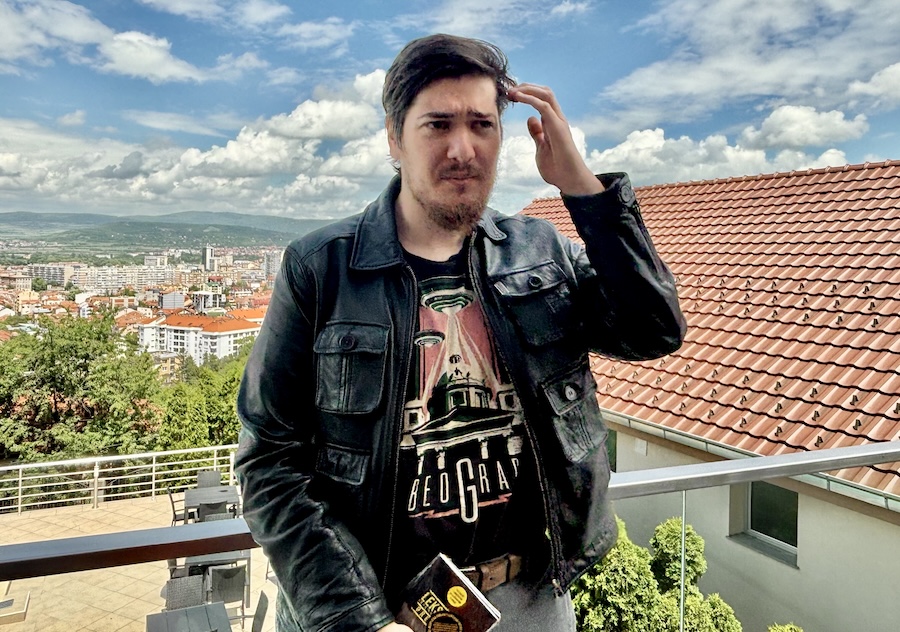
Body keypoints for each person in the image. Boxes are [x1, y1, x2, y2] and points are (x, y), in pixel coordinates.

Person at [235, 33, 686, 632]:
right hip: (378, 610)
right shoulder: (321, 270)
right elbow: (269, 462)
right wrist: (358, 617)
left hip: (529, 601)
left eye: (482, 125)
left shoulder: (541, 252)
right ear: (394, 138)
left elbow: (653, 330)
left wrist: (583, 189)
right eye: (438, 125)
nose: (462, 149)